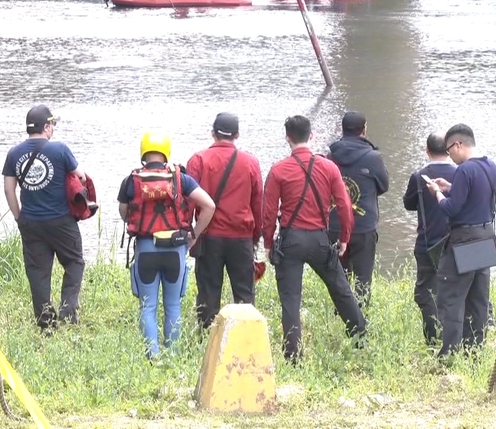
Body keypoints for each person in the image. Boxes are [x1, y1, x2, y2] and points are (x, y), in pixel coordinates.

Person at [263, 116, 366, 363]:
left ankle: (293, 356)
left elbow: (267, 211)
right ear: (312, 135)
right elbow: (344, 206)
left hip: (291, 241)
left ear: (287, 137)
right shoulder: (329, 168)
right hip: (320, 239)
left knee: (291, 299)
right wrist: (344, 239)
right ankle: (360, 336)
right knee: (341, 289)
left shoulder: (278, 170)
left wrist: (267, 243)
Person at [119, 131, 215, 359]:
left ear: (143, 151)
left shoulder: (131, 180)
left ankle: (152, 356)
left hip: (146, 250)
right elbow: (209, 206)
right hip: (175, 250)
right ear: (166, 153)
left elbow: (124, 213)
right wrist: (194, 235)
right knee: (173, 306)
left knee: (148, 307)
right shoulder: (181, 178)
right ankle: (172, 355)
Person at [2, 105, 86, 332]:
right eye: (53, 125)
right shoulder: (60, 150)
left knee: (38, 273)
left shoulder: (14, 153)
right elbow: (81, 176)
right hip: (61, 221)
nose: (54, 129)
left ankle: (46, 325)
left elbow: (9, 190)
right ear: (46, 126)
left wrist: (19, 217)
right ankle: (68, 313)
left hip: (31, 222)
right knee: (74, 262)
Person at [425, 124, 496, 359]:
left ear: (458, 145)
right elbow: (475, 200)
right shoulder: (490, 166)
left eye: (449, 151)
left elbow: (451, 209)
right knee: (478, 299)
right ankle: (474, 352)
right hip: (485, 237)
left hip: (464, 241)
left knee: (451, 296)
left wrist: (437, 192)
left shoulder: (465, 170)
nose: (450, 156)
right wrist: (451, 187)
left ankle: (449, 352)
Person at [186, 113, 263, 329]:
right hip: (241, 238)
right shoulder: (251, 162)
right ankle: (246, 337)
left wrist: (189, 234)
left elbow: (188, 203)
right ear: (237, 135)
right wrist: (255, 236)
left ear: (213, 133)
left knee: (208, 292)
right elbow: (258, 203)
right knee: (244, 295)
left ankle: (208, 338)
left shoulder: (198, 160)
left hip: (209, 237)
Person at [326, 111, 389, 310]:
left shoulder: (330, 155)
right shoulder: (373, 157)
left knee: (339, 276)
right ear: (364, 130)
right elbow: (384, 186)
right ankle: (360, 321)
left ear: (342, 129)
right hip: (364, 226)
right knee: (363, 278)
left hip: (335, 224)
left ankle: (341, 316)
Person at [403, 133, 456, 345]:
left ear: (427, 149)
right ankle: (455, 338)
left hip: (427, 243)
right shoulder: (459, 173)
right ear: (448, 150)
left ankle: (433, 340)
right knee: (454, 291)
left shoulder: (419, 176)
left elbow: (408, 204)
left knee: (425, 293)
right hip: (454, 242)